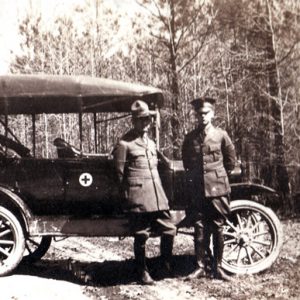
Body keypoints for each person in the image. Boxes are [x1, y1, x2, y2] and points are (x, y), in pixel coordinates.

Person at [113, 100, 177, 285]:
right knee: (141, 235)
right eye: (141, 120)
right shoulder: (124, 144)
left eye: (148, 120)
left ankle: (164, 265)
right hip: (138, 197)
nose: (146, 124)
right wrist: (128, 197)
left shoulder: (151, 143)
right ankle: (142, 272)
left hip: (157, 196)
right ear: (134, 121)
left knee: (170, 229)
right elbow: (119, 174)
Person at [182, 97, 236, 281]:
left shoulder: (221, 135)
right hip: (198, 189)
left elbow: (230, 162)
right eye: (199, 114)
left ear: (212, 114)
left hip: (218, 189)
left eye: (206, 113)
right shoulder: (190, 138)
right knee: (199, 227)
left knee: (218, 227)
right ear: (195, 115)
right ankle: (200, 267)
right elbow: (187, 163)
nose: (202, 116)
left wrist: (217, 177)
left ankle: (218, 267)